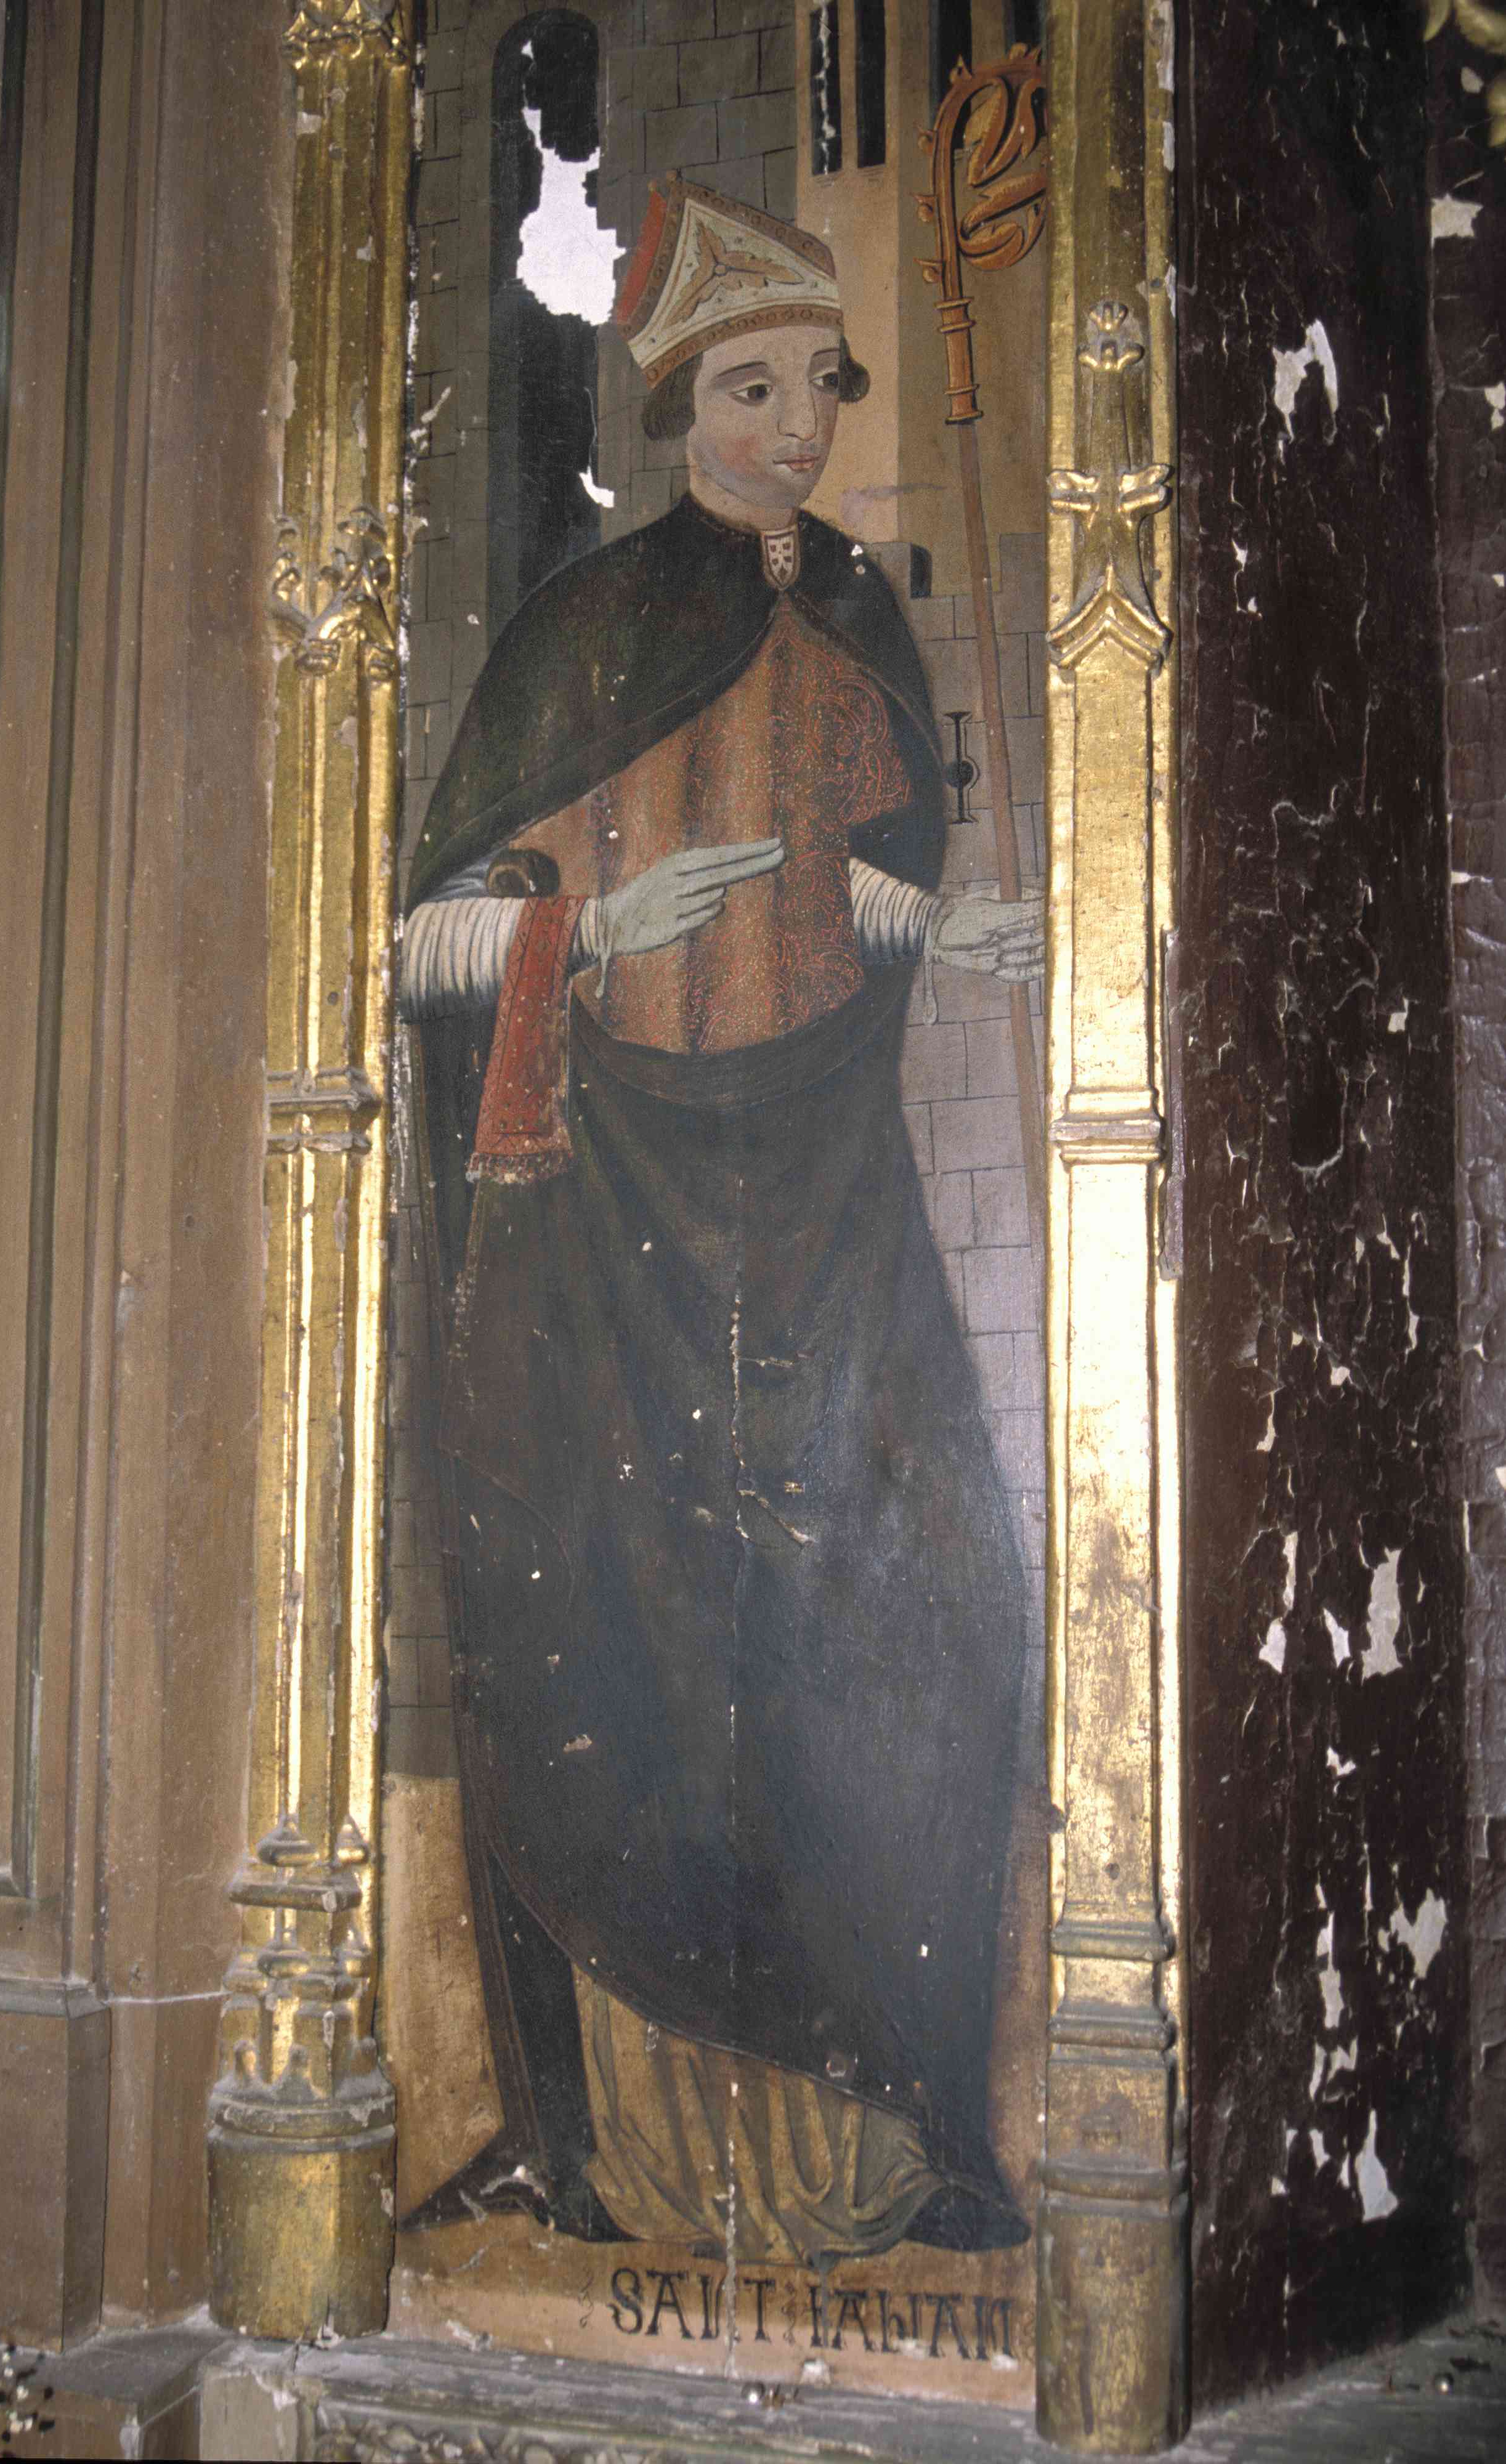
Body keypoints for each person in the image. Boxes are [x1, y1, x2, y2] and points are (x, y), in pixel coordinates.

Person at [400, 179, 1043, 2264]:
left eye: (818, 386)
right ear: (682, 404)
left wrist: (945, 932)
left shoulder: (848, 610)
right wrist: (585, 927)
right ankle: (612, 2151)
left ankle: (905, 2137)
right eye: (750, 387)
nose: (793, 424)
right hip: (608, 1209)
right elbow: (415, 941)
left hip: (820, 1190)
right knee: (617, 1631)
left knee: (910, 1616)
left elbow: (841, 889)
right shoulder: (582, 631)